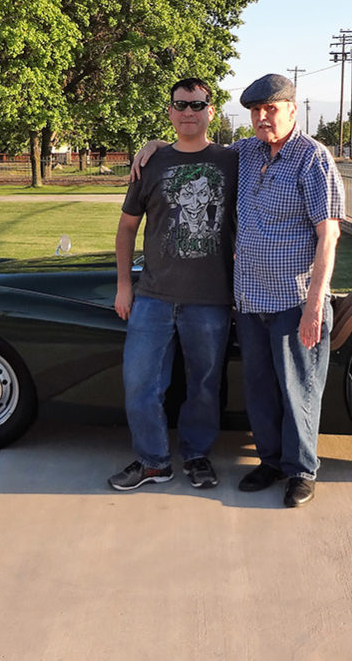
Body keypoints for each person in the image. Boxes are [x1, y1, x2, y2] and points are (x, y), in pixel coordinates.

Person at [134, 73, 345, 507]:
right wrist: (153, 146)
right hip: (250, 300)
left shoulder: (313, 159)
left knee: (299, 389)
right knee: (260, 389)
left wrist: (314, 307)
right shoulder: (245, 153)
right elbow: (193, 145)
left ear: (292, 108)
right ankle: (269, 462)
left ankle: (301, 470)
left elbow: (329, 235)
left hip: (294, 299)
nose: (263, 118)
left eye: (271, 109)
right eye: (255, 111)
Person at [108, 78, 238, 491]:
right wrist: (124, 286)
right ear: (170, 111)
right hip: (153, 297)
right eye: (181, 105)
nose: (188, 112)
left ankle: (197, 456)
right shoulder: (151, 164)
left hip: (211, 299)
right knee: (140, 384)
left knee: (204, 385)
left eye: (197, 105)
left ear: (210, 112)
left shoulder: (233, 161)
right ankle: (152, 461)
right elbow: (127, 229)